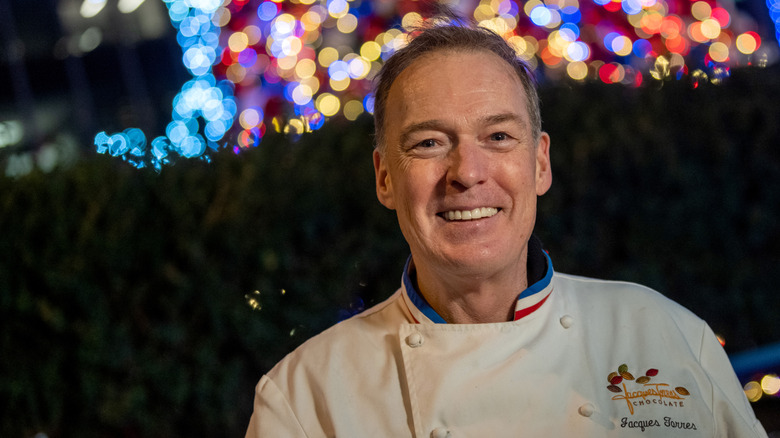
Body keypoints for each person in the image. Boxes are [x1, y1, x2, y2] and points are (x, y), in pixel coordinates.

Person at [245, 18, 768, 437]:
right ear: (385, 178)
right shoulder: (304, 399)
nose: (467, 173)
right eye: (428, 142)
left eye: (498, 136)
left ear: (540, 164)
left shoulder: (666, 332)